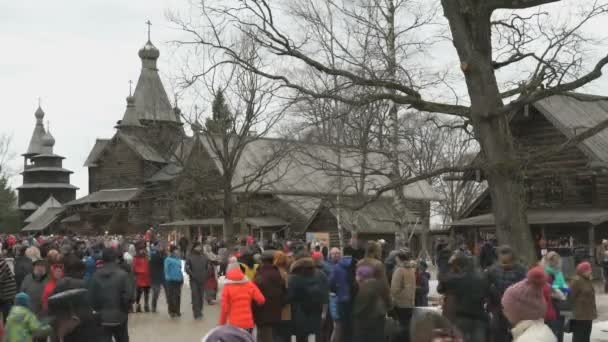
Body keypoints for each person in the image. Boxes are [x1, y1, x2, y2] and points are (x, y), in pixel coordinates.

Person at [437, 251, 490, 342]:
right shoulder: (482, 277)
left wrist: (448, 267)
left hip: (461, 318)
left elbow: (441, 288)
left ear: (457, 265)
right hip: (479, 318)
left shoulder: (455, 279)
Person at [88, 248, 134, 342]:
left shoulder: (95, 275)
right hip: (120, 314)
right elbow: (129, 295)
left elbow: (90, 297)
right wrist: (125, 308)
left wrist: (97, 309)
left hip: (101, 316)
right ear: (116, 259)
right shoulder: (123, 275)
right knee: (122, 338)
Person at [501, 266, 557, 342]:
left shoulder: (528, 339)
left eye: (507, 308)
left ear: (519, 311)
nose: (504, 311)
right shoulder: (540, 330)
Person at [486, 245, 527, 342]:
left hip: (514, 307)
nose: (504, 258)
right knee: (497, 331)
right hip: (497, 306)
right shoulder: (493, 270)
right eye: (502, 254)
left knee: (515, 332)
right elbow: (486, 286)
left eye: (506, 254)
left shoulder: (520, 269)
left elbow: (525, 287)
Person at [288, 254, 329, 342]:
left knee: (301, 336)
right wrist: (324, 312)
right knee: (316, 334)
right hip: (317, 310)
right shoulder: (321, 274)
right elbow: (326, 293)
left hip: (299, 311)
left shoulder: (293, 277)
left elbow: (289, 296)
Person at [219, 262, 265, 332]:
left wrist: (222, 324)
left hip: (234, 323)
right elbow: (261, 299)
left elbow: (224, 308)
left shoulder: (227, 287)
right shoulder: (249, 284)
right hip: (248, 322)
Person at [352, 265, 390, 342]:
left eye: (356, 275)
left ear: (360, 276)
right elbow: (389, 302)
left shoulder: (364, 288)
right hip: (380, 320)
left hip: (366, 323)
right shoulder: (380, 285)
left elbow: (359, 309)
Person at [254, 251, 286, 341]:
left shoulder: (259, 275)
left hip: (262, 314)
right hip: (277, 312)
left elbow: (254, 295)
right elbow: (284, 293)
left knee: (263, 337)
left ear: (262, 261)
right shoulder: (279, 274)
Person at [328, 246, 356, 342]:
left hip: (341, 299)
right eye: (333, 253)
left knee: (341, 327)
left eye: (337, 253)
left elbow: (331, 284)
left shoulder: (337, 267)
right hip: (354, 299)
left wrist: (338, 291)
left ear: (342, 254)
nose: (336, 255)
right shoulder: (357, 264)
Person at [390, 249, 417, 341]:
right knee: (407, 326)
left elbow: (394, 289)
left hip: (400, 303)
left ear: (398, 258)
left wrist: (393, 298)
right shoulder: (411, 270)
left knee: (400, 327)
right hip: (410, 302)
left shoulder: (399, 270)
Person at [569, 261, 597, 342]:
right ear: (582, 271)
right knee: (579, 337)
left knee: (586, 337)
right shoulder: (576, 281)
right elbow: (570, 296)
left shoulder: (588, 280)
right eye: (588, 269)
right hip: (579, 316)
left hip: (588, 315)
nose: (590, 271)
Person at [186, 242, 209, 319]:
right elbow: (187, 268)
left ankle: (200, 311)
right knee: (195, 296)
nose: (199, 248)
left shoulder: (204, 256)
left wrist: (206, 274)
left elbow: (208, 267)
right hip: (194, 280)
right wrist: (192, 274)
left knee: (201, 296)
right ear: (194, 247)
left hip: (202, 279)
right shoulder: (190, 257)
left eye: (200, 247)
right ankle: (196, 312)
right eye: (197, 247)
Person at [273, 251, 292, 342]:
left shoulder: (274, 272)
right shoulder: (284, 274)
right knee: (283, 335)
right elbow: (288, 290)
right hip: (285, 309)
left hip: (274, 307)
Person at [164, 246, 184, 318]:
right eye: (176, 250)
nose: (178, 252)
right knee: (171, 296)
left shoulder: (178, 259)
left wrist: (181, 278)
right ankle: (171, 311)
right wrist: (167, 277)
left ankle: (177, 310)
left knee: (177, 296)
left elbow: (180, 269)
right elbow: (166, 269)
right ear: (172, 251)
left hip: (178, 280)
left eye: (178, 250)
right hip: (171, 280)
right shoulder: (168, 259)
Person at [132, 248, 151, 313]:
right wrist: (138, 272)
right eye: (141, 249)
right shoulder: (136, 258)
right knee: (139, 293)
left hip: (147, 278)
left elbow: (149, 266)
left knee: (147, 293)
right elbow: (134, 267)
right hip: (139, 278)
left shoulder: (147, 257)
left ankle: (146, 305)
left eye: (143, 249)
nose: (142, 251)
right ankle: (137, 305)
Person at [149, 244, 165, 313]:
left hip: (156, 277)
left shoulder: (160, 257)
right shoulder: (155, 257)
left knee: (156, 292)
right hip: (155, 276)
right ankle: (153, 306)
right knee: (156, 292)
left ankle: (153, 306)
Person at [0, 256, 17, 321]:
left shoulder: (1, 263)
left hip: (6, 294)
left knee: (6, 317)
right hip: (3, 293)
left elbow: (1, 278)